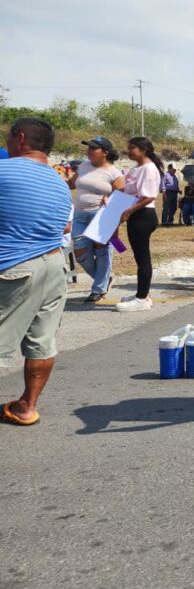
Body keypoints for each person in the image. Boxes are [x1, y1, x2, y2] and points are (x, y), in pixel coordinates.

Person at [0, 117, 73, 426]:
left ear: (20, 138)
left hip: (15, 267)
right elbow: (66, 226)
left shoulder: (4, 170)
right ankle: (27, 407)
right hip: (55, 266)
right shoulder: (59, 182)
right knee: (42, 342)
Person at [67, 136, 124, 303]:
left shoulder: (114, 173)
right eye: (88, 147)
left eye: (93, 148)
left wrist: (110, 201)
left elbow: (122, 195)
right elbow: (71, 184)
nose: (89, 151)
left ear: (105, 152)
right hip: (80, 215)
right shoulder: (84, 166)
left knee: (102, 250)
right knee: (80, 252)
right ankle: (105, 279)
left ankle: (98, 288)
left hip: (100, 215)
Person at [116, 137, 163, 312]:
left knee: (143, 258)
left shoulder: (149, 169)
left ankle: (142, 298)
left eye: (132, 148)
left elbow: (149, 196)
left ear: (143, 150)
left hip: (143, 215)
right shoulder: (138, 168)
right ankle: (142, 293)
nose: (128, 151)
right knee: (139, 257)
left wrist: (129, 211)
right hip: (136, 214)